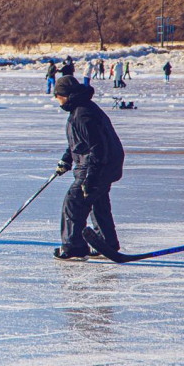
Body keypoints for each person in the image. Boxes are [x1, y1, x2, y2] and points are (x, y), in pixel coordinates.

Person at [52, 75, 124, 261]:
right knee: (97, 201)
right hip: (103, 164)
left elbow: (98, 148)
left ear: (65, 95)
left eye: (57, 95)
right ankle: (106, 242)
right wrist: (66, 160)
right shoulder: (81, 109)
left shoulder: (82, 114)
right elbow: (80, 143)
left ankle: (73, 246)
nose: (56, 99)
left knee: (74, 202)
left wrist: (91, 178)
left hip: (98, 165)